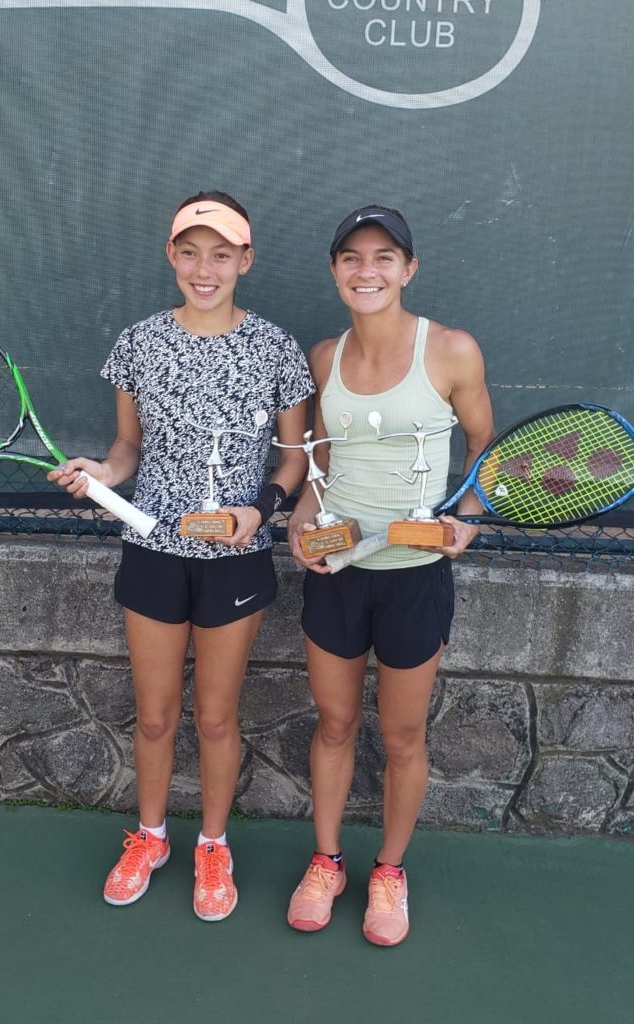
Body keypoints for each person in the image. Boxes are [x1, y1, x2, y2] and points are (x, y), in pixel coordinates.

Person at [50, 192, 313, 922]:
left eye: (221, 253)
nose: (205, 268)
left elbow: (294, 458)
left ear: (245, 261)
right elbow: (128, 448)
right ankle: (153, 836)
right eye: (191, 251)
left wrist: (257, 511)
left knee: (216, 719)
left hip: (237, 558)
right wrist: (102, 473)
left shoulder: (275, 348)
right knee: (158, 716)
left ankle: (214, 846)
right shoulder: (137, 343)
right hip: (152, 554)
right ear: (172, 255)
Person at [286, 205, 494, 946]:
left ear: (408, 270)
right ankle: (328, 860)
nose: (366, 270)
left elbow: (485, 450)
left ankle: (389, 873)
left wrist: (465, 514)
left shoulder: (452, 351)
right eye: (351, 257)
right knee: (336, 724)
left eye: (383, 258)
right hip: (339, 571)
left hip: (414, 577)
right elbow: (321, 466)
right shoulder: (321, 359)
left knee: (401, 736)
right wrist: (296, 526)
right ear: (335, 271)